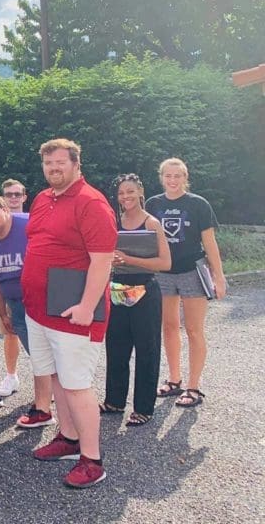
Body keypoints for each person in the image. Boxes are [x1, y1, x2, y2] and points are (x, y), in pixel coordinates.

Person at [23, 138, 116, 489]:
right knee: (58, 378)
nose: (53, 169)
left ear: (76, 164)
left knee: (77, 385)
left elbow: (102, 260)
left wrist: (87, 306)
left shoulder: (92, 202)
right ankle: (68, 437)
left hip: (73, 312)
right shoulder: (42, 198)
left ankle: (92, 460)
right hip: (39, 311)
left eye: (60, 163)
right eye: (48, 164)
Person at [145, 158, 226, 409]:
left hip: (192, 271)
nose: (173, 180)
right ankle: (174, 380)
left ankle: (193, 386)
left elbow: (209, 243)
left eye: (177, 176)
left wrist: (219, 276)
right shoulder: (152, 204)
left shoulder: (198, 204)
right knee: (169, 327)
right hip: (163, 273)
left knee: (193, 330)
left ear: (185, 177)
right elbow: (146, 240)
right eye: (168, 176)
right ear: (162, 177)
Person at [0, 193, 54, 429]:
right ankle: (44, 406)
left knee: (55, 353)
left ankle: (53, 405)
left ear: (5, 209)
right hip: (16, 304)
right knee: (38, 357)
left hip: (44, 300)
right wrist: (3, 314)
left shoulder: (28, 225)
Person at [102, 174, 171, 427]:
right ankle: (114, 401)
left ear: (140, 192)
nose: (125, 197)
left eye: (130, 191)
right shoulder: (114, 221)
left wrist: (129, 259)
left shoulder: (151, 223)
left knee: (147, 350)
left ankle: (144, 408)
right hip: (118, 289)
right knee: (116, 347)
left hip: (145, 291)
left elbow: (165, 263)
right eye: (121, 193)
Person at [0, 179, 28, 398]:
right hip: (7, 290)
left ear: (24, 197)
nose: (13, 198)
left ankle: (47, 383)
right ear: (2, 199)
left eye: (17, 194)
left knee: (42, 340)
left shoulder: (32, 222)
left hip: (33, 292)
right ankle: (11, 375)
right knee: (10, 333)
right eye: (8, 194)